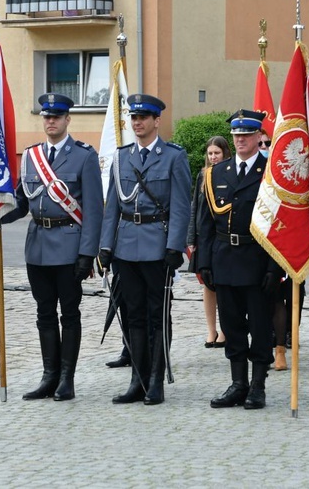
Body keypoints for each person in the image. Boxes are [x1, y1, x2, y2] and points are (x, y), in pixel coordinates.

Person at [1, 93, 103, 402]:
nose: (51, 121)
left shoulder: (84, 155)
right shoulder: (32, 156)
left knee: (69, 313)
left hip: (70, 244)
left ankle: (66, 379)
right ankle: (49, 375)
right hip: (38, 247)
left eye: (56, 116)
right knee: (44, 312)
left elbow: (95, 209)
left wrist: (88, 253)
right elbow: (21, 202)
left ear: (67, 119)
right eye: (46, 117)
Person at [98, 93, 192, 406]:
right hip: (125, 246)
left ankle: (156, 380)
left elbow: (180, 206)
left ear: (156, 121)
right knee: (132, 316)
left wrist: (174, 247)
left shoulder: (173, 157)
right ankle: (136, 379)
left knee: (157, 316)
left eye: (143, 118)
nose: (137, 123)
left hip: (156, 246)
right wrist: (106, 246)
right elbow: (112, 204)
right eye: (133, 118)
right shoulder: (122, 156)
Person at [196, 109, 282, 410]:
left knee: (259, 326)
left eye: (247, 134)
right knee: (231, 326)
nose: (241, 139)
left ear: (259, 136)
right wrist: (203, 262)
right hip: (225, 258)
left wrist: (275, 266)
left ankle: (258, 385)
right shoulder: (217, 172)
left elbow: (280, 223)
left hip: (258, 259)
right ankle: (238, 383)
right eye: (237, 135)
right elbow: (206, 222)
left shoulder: (271, 171)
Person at [186, 136, 231, 348]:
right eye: (210, 153)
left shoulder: (230, 174)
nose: (213, 157)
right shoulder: (203, 175)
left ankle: (225, 330)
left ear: (225, 154)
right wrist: (191, 238)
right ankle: (211, 330)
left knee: (222, 283)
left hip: (221, 236)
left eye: (217, 153)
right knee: (207, 284)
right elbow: (195, 207)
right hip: (204, 237)